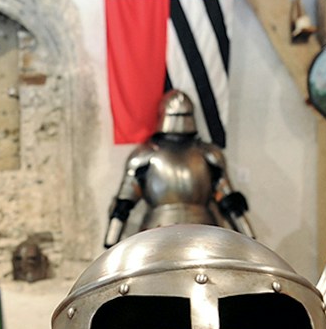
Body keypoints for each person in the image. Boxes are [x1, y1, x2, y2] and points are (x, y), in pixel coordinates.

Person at [103, 90, 254, 248]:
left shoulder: (208, 154)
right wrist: (250, 239)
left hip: (181, 232)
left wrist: (110, 242)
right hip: (184, 231)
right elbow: (123, 205)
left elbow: (230, 202)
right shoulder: (146, 155)